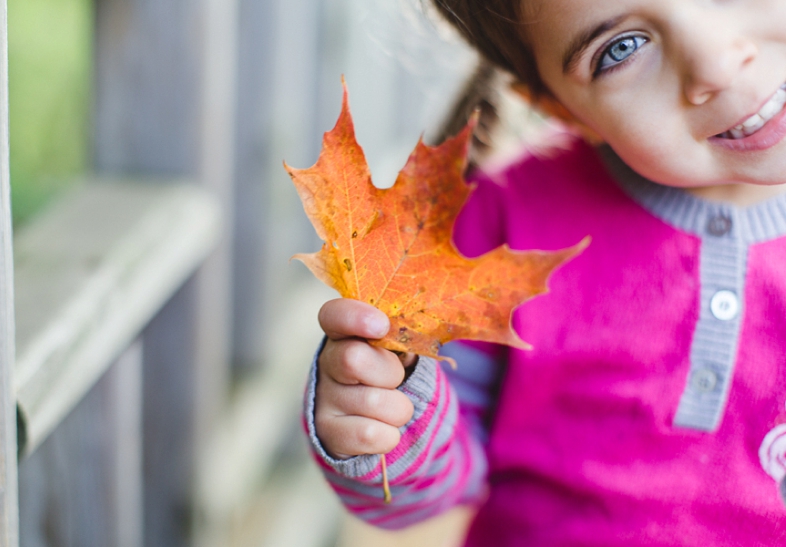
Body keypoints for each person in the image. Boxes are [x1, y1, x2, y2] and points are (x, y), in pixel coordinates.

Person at [303, 0, 786, 544]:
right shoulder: (503, 225)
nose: (717, 63)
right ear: (562, 111)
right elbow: (426, 494)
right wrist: (380, 420)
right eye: (621, 49)